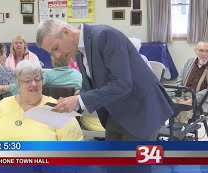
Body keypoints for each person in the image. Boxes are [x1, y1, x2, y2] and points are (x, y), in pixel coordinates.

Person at [36, 19, 173, 141]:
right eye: (52, 53)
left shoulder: (104, 36)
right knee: (113, 166)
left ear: (65, 32)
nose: (57, 55)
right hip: (116, 113)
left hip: (141, 112)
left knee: (134, 169)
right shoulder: (78, 52)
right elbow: (91, 86)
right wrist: (71, 103)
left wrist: (79, 101)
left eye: (55, 48)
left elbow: (122, 84)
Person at [0, 60, 83, 141]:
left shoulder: (58, 109)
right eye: (27, 80)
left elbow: (75, 155)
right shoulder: (4, 104)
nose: (34, 84)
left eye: (37, 79)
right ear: (18, 84)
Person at [174, 41, 208, 122]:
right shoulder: (189, 62)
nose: (204, 54)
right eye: (201, 50)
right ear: (195, 51)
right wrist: (180, 98)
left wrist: (192, 100)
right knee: (165, 106)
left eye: (207, 51)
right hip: (183, 95)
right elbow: (179, 81)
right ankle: (170, 132)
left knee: (182, 112)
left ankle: (179, 133)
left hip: (200, 99)